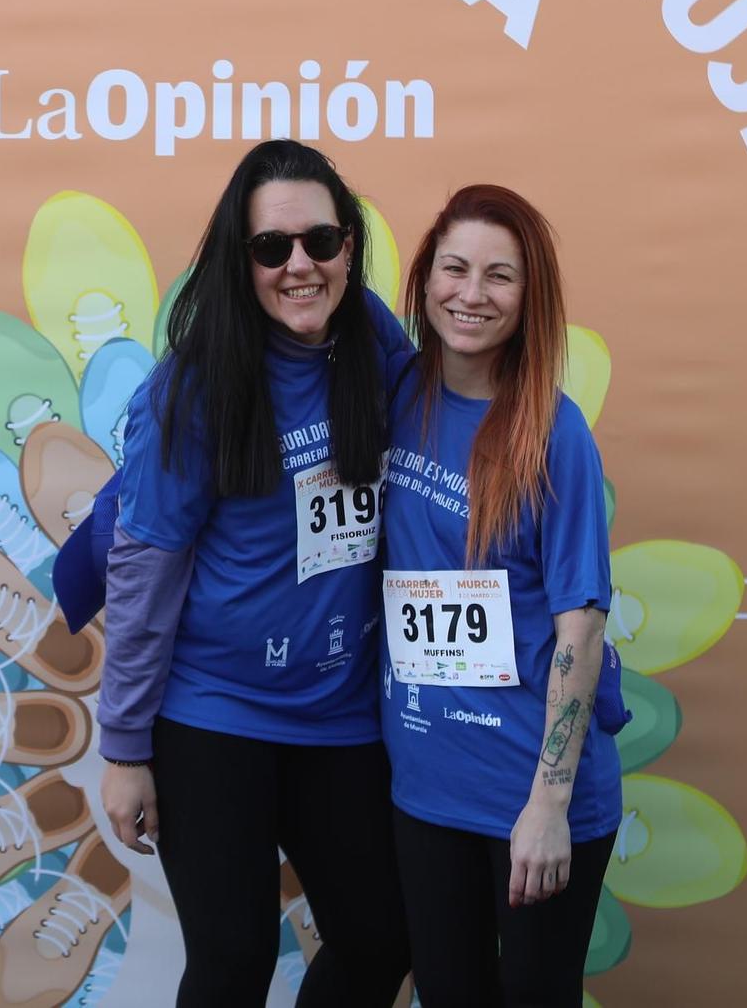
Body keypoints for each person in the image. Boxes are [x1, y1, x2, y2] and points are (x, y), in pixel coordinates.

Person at [97, 139, 412, 1007]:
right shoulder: (193, 389)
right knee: (232, 960)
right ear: (241, 262)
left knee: (382, 938)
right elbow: (143, 575)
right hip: (214, 718)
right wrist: (125, 748)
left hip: (340, 717)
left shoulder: (373, 340)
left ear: (349, 243)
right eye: (272, 248)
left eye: (321, 239)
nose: (300, 265)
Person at [378, 185, 621, 1008]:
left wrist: (547, 805)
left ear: (530, 298)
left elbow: (580, 628)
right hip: (425, 789)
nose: (471, 294)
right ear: (424, 278)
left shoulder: (554, 432)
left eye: (499, 276)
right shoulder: (391, 396)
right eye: (454, 268)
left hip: (531, 796)